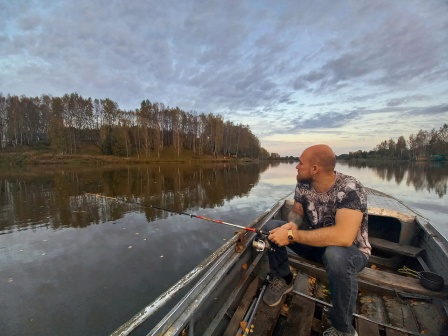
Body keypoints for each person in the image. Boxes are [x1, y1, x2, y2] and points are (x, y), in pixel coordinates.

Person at [262, 144, 370, 336]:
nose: (296, 166)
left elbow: (344, 238)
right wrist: (292, 225)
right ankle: (284, 279)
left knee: (335, 254)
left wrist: (292, 236)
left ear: (315, 169)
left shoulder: (350, 188)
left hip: (350, 254)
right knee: (271, 228)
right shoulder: (303, 184)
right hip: (316, 246)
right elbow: (297, 212)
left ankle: (343, 328)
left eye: (300, 163)